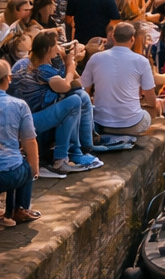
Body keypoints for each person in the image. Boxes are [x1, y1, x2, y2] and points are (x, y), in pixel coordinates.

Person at [11, 31, 99, 174]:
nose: (59, 47)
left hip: (23, 116)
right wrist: (70, 64)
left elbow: (77, 85)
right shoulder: (42, 68)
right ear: (48, 50)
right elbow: (66, 86)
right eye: (56, 45)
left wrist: (67, 62)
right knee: (74, 101)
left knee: (79, 96)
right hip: (29, 120)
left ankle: (79, 150)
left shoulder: (24, 62)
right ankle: (61, 159)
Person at [0, 59, 39, 224]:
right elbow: (30, 141)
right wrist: (33, 169)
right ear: (8, 79)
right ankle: (19, 209)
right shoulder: (19, 105)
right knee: (25, 162)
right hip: (12, 174)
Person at [80, 23, 156, 139]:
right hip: (132, 125)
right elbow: (152, 101)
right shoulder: (142, 61)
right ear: (132, 39)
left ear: (113, 37)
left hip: (101, 123)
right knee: (152, 110)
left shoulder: (95, 58)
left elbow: (85, 90)